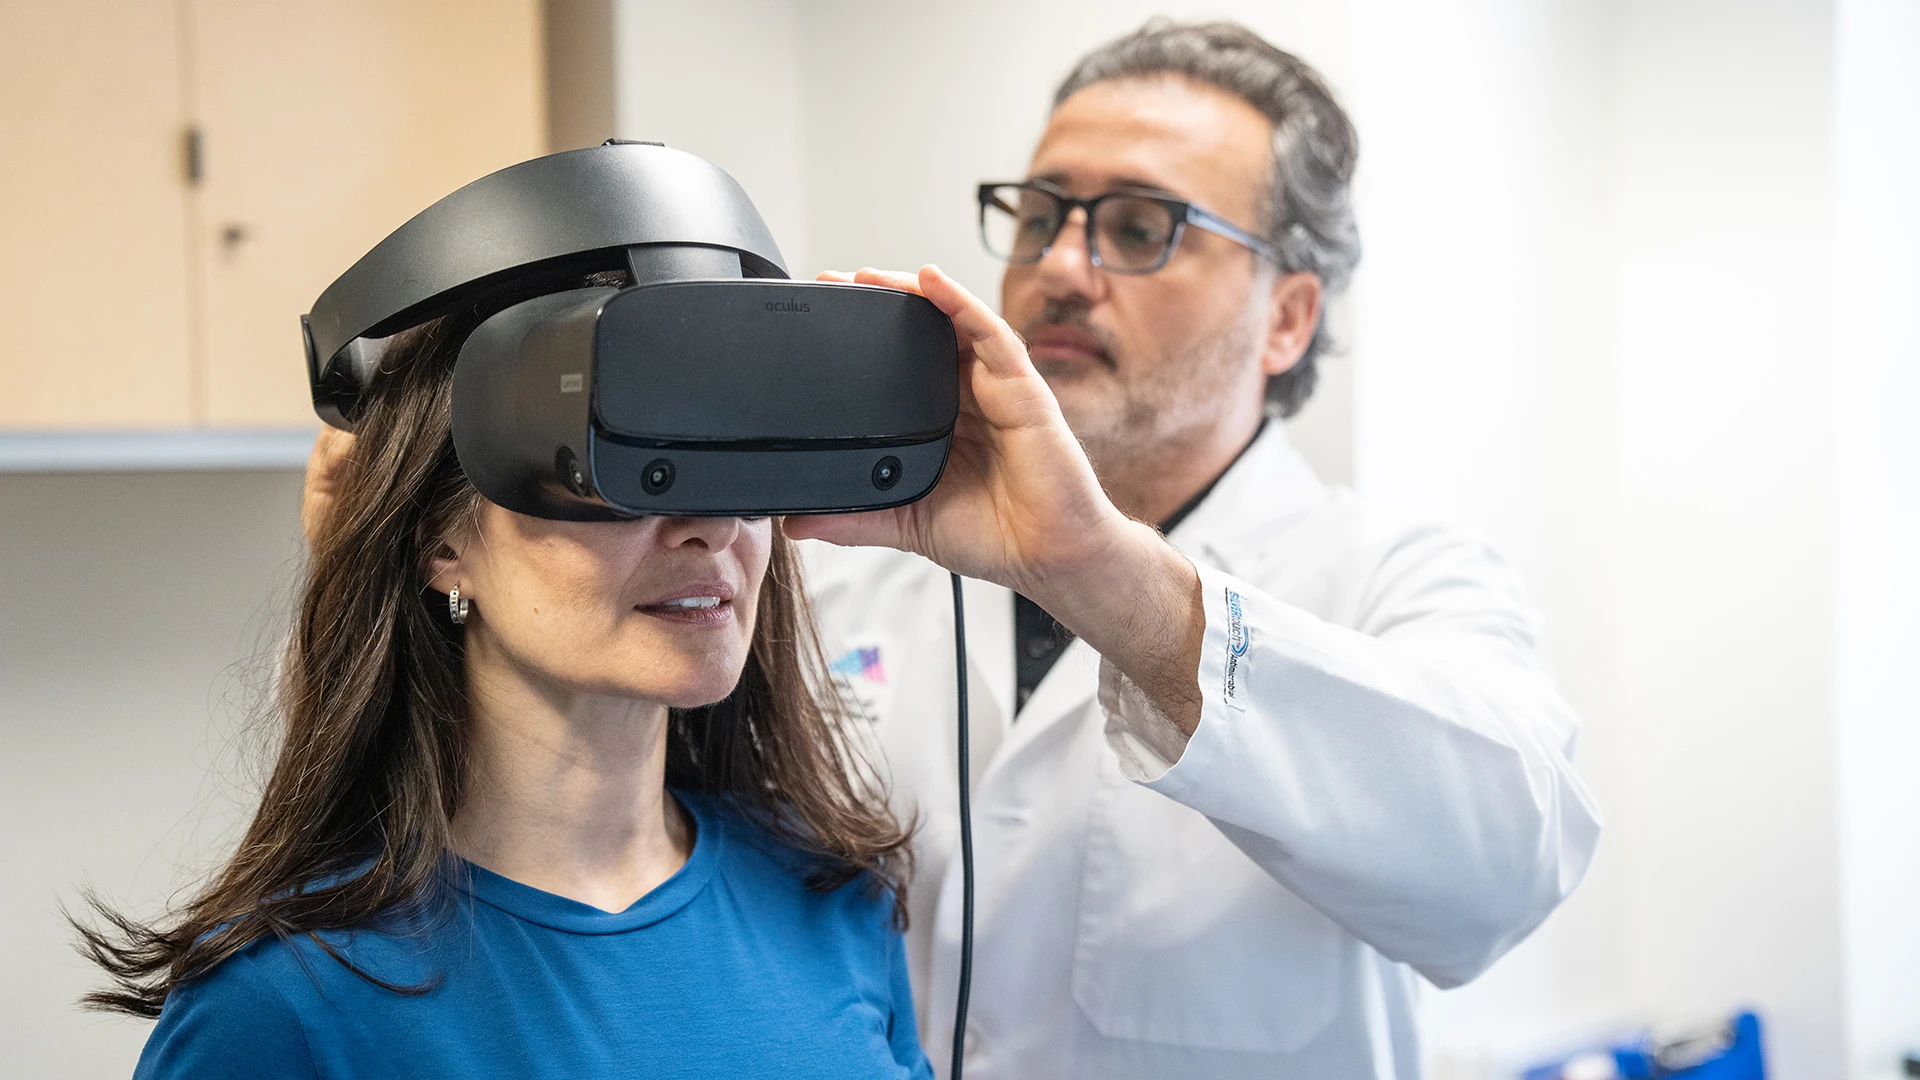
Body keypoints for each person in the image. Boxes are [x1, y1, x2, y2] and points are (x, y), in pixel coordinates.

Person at [302, 20, 1602, 1079]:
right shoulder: (833, 554)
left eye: (1143, 228)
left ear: (1288, 317)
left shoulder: (1392, 577)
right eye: (1040, 213)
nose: (1063, 268)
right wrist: (389, 531)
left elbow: (1508, 862)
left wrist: (1093, 568)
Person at [75, 282, 933, 1079]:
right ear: (444, 545)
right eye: (627, 472)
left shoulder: (836, 900)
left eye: (739, 471)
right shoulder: (282, 1005)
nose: (709, 529)